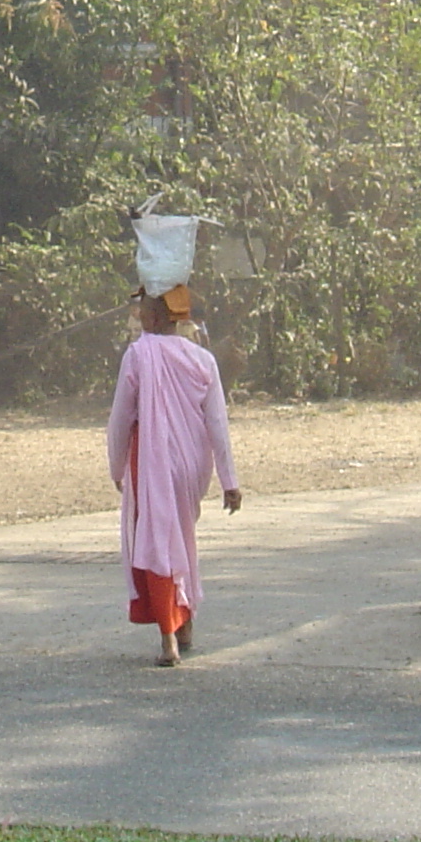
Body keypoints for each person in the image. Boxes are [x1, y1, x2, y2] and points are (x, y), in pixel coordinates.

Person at [107, 283, 240, 667]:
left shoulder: (138, 356)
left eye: (143, 310)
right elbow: (217, 423)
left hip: (152, 461)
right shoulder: (203, 360)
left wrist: (116, 465)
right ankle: (186, 622)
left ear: (154, 317)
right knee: (181, 536)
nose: (139, 317)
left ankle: (168, 639)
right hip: (193, 463)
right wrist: (230, 482)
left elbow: (121, 419)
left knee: (157, 541)